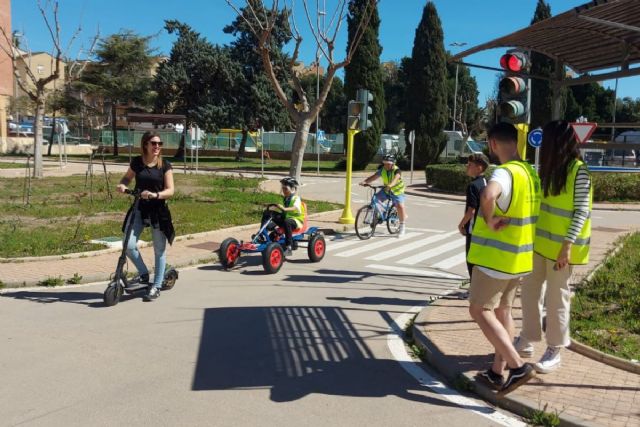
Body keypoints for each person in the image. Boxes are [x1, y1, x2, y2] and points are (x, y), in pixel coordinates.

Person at [467, 122, 540, 396]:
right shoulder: (530, 173)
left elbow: (488, 194)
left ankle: (517, 366)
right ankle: (497, 373)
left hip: (495, 259)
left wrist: (489, 217)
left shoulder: (505, 172)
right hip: (519, 258)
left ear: (493, 144)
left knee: (479, 310)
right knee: (503, 312)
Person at [514, 120, 592, 374]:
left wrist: (567, 246)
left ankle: (555, 349)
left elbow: (581, 211)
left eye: (546, 140)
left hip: (562, 249)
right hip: (539, 245)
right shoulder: (547, 168)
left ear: (557, 142)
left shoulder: (579, 171)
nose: (543, 144)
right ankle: (527, 338)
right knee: (529, 292)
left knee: (557, 299)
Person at [117, 131, 175, 301]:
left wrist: (155, 195)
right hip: (139, 208)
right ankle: (143, 273)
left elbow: (171, 190)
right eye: (153, 143)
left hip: (158, 211)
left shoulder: (165, 165)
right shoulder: (137, 162)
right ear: (145, 145)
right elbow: (127, 177)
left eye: (159, 143)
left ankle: (156, 286)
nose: (157, 146)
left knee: (159, 250)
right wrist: (122, 184)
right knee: (128, 244)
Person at [359, 153, 407, 237]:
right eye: (384, 163)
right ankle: (377, 217)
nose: (386, 165)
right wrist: (365, 182)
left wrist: (391, 185)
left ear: (393, 164)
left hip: (397, 191)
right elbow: (374, 177)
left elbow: (396, 179)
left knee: (400, 206)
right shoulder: (382, 170)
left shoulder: (397, 170)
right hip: (386, 190)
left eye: (388, 164)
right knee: (375, 198)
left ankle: (402, 227)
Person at [458, 153, 489, 278]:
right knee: (482, 260)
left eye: (470, 165)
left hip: (474, 229)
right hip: (485, 228)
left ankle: (473, 288)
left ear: (479, 168)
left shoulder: (473, 186)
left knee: (471, 259)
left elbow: (472, 210)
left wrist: (461, 225)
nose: (467, 166)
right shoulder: (487, 182)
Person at [265, 176, 305, 257]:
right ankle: (262, 234)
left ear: (292, 189)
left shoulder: (296, 198)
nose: (284, 191)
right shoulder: (285, 198)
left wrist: (284, 208)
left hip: (296, 221)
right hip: (286, 219)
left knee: (287, 222)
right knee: (268, 213)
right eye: (283, 188)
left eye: (285, 189)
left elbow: (295, 207)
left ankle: (288, 247)